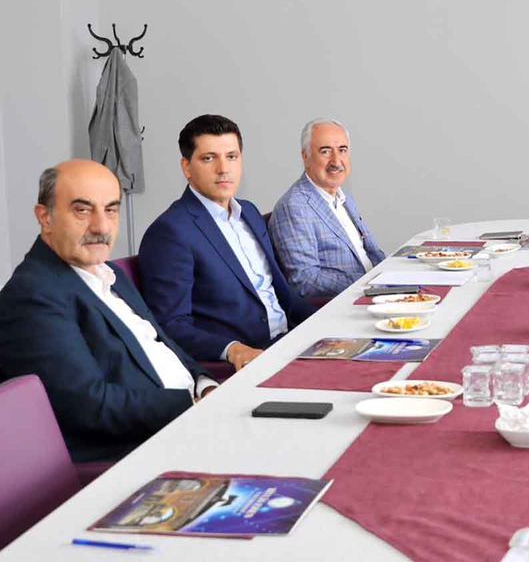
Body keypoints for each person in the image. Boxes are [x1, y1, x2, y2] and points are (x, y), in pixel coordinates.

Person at [0, 160, 213, 462]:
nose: (101, 227)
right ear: (45, 217)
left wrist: (205, 385)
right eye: (82, 210)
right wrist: (191, 404)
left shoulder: (109, 273)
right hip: (141, 451)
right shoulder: (32, 295)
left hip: (191, 417)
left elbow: (163, 346)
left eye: (111, 210)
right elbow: (89, 406)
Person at [138, 115, 313, 371]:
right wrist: (232, 349)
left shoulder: (249, 212)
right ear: (187, 167)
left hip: (291, 341)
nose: (223, 169)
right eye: (209, 158)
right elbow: (171, 324)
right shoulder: (170, 232)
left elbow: (282, 292)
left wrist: (328, 324)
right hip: (248, 361)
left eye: (231, 156)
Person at [269, 118, 385, 298]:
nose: (336, 161)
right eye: (325, 151)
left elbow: (373, 252)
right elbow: (305, 280)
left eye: (342, 150)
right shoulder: (294, 207)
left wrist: (392, 275)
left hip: (378, 289)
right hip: (348, 301)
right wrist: (367, 283)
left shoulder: (343, 197)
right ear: (305, 157)